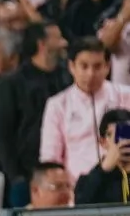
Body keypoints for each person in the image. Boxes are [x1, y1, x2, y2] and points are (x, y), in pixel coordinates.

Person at [0, 20, 69, 204]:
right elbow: (2, 133)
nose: (64, 42)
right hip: (26, 175)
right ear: (42, 44)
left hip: (64, 173)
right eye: (58, 38)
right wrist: (15, 175)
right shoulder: (11, 83)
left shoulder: (68, 78)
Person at [40, 37, 130, 183]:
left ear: (107, 66)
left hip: (122, 185)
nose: (90, 74)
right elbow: (50, 159)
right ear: (71, 67)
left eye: (97, 66)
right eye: (84, 66)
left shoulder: (126, 96)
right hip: (76, 193)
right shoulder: (57, 105)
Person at [76, 108, 130, 204]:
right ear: (103, 142)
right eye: (115, 134)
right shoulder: (90, 180)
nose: (124, 140)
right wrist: (104, 169)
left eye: (127, 132)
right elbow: (82, 206)